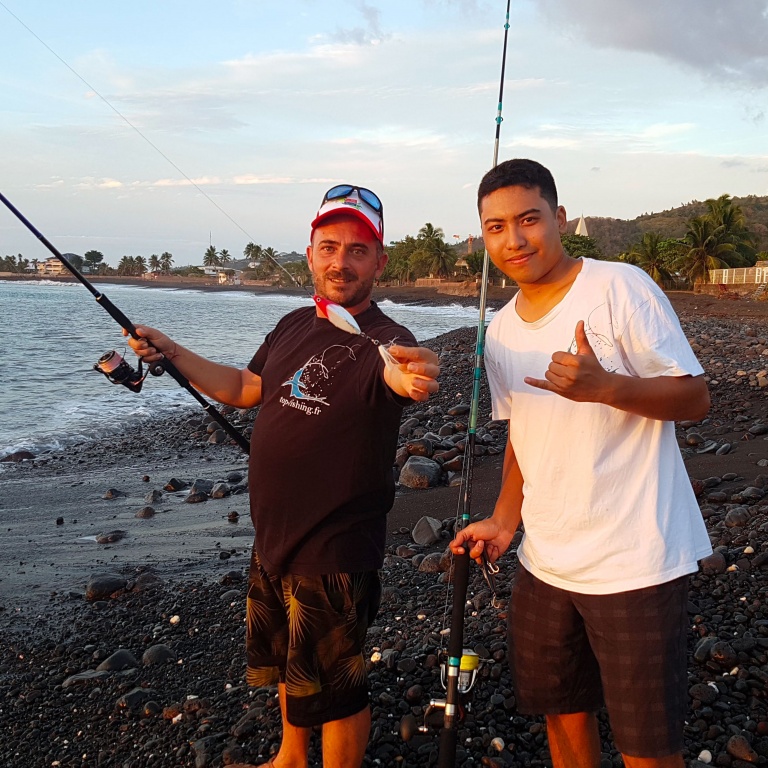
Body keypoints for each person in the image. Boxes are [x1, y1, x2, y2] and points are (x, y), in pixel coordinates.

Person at [127, 184, 440, 768]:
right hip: (274, 535)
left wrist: (415, 377)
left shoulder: (390, 339)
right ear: (311, 252)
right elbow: (247, 389)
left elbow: (407, 378)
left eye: (357, 249)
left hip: (336, 543)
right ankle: (291, 758)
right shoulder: (293, 323)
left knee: (338, 687)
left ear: (379, 261)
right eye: (329, 246)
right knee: (289, 663)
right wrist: (172, 353)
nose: (340, 261)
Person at [450, 159, 712, 767]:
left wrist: (607, 387)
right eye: (495, 228)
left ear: (560, 218)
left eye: (528, 219)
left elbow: (695, 397)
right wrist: (504, 520)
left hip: (635, 562)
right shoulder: (503, 330)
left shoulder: (619, 286)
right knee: (562, 718)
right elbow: (523, 430)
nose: (513, 240)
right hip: (545, 563)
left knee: (648, 746)